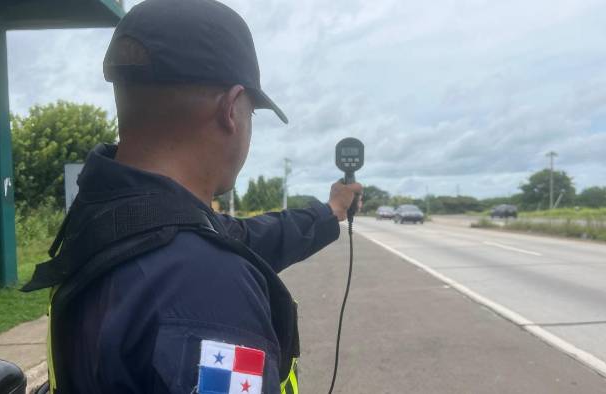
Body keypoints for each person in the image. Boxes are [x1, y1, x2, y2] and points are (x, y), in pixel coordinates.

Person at [22, 1, 362, 393]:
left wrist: (330, 211)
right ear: (231, 108)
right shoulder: (212, 291)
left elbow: (240, 236)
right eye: (252, 113)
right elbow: (211, 253)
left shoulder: (105, 221)